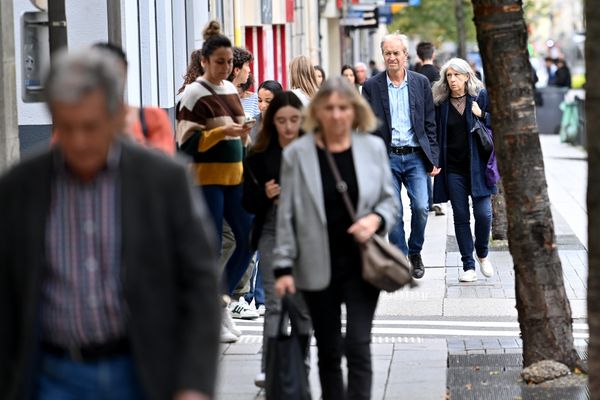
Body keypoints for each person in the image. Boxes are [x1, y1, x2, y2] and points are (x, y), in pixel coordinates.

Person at [0, 48, 221, 400]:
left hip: (139, 371)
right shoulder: (21, 187)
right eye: (67, 127)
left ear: (116, 117)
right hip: (50, 375)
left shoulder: (163, 181)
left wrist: (193, 383)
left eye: (90, 127)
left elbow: (199, 283)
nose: (79, 142)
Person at [274, 77, 398, 400]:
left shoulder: (372, 148)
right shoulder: (298, 155)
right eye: (329, 108)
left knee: (358, 344)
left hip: (362, 263)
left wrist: (376, 219)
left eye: (344, 108)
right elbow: (287, 213)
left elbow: (390, 201)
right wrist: (283, 267)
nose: (337, 115)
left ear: (355, 111)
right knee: (328, 350)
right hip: (317, 264)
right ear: (317, 112)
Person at [176, 20, 255, 340]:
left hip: (235, 177)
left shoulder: (228, 90)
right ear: (205, 62)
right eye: (219, 61)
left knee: (250, 236)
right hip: (205, 179)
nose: (226, 67)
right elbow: (186, 143)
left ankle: (219, 302)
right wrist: (224, 132)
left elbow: (242, 136)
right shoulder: (193, 95)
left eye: (229, 62)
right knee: (210, 245)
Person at [242, 91, 311, 389]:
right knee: (274, 302)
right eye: (281, 120)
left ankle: (302, 360)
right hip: (271, 229)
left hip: (306, 232)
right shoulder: (259, 153)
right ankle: (268, 366)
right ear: (272, 122)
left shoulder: (314, 151)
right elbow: (247, 201)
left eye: (293, 120)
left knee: (301, 304)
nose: (287, 126)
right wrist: (264, 195)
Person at [362, 32, 440, 279]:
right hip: (387, 157)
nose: (392, 57)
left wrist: (434, 157)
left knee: (421, 207)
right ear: (383, 55)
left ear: (406, 55)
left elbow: (430, 123)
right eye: (388, 53)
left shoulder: (420, 83)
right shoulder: (372, 86)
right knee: (393, 211)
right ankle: (399, 256)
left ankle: (414, 251)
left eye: (396, 53)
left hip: (416, 155)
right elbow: (365, 126)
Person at [431, 58, 497, 282]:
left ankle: (482, 253)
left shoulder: (481, 97)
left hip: (478, 167)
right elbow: (435, 135)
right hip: (453, 169)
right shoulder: (440, 104)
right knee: (460, 217)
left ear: (467, 76)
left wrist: (482, 115)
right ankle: (468, 265)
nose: (452, 80)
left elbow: (498, 123)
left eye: (457, 75)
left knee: (484, 214)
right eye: (449, 76)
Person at [415, 41, 444, 216]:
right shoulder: (439, 74)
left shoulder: (415, 75)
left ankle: (428, 199)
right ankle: (437, 199)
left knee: (423, 164)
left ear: (419, 56)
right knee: (436, 162)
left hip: (421, 125)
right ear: (432, 54)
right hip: (437, 123)